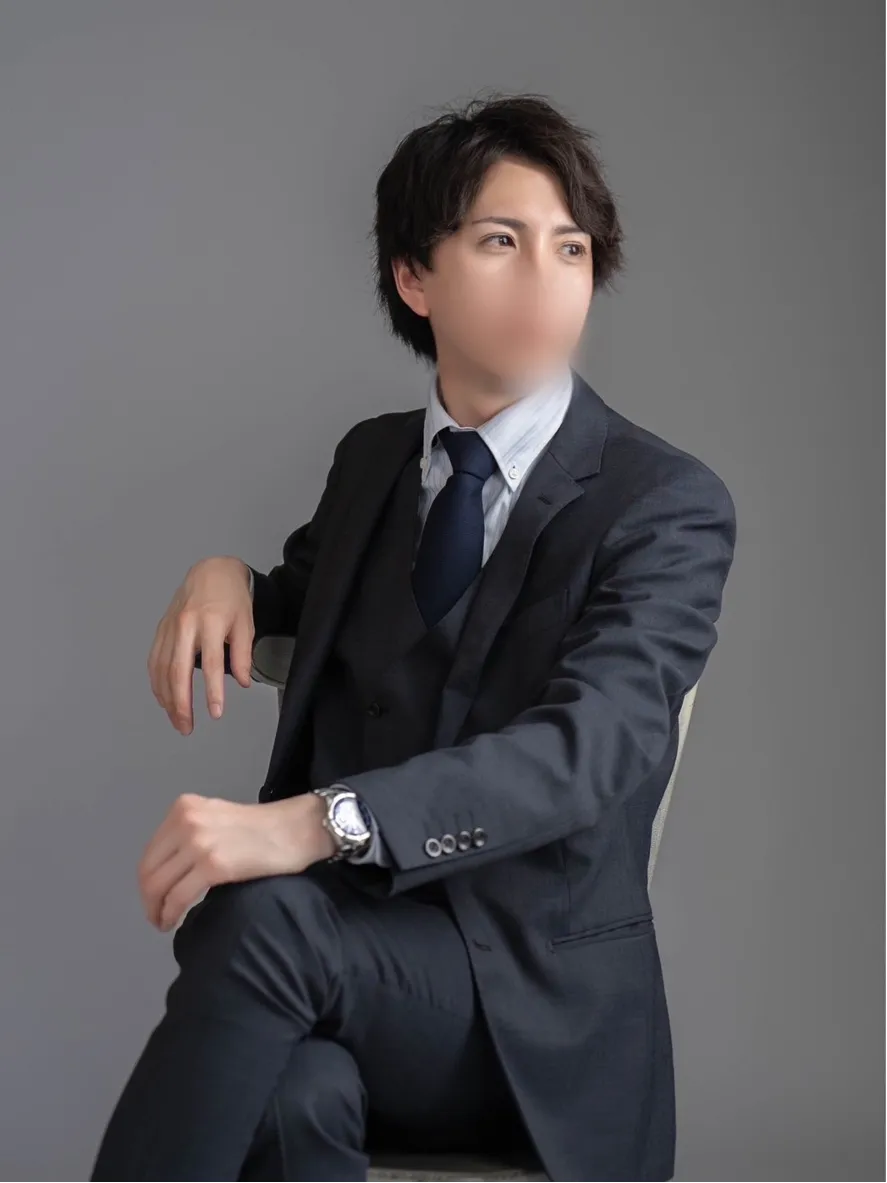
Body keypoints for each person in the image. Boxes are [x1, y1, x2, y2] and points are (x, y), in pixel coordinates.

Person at [89, 92, 737, 1183]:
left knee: (260, 919)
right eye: (500, 241)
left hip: (526, 1014)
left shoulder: (662, 502)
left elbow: (591, 747)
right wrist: (222, 575)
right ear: (413, 278)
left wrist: (319, 821)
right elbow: (301, 603)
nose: (545, 278)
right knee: (293, 1094)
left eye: (569, 248)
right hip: (351, 981)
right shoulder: (372, 465)